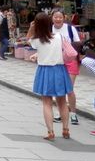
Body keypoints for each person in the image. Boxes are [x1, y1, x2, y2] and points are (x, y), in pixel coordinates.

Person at [27, 12, 73, 140]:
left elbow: (28, 38)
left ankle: (50, 132)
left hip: (45, 71)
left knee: (47, 103)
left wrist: (32, 27)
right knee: (62, 102)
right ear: (49, 23)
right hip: (60, 70)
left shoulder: (37, 40)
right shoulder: (59, 36)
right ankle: (65, 129)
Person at [51, 9, 80, 125]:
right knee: (58, 88)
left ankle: (73, 113)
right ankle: (60, 112)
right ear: (52, 17)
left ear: (64, 18)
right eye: (55, 17)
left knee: (69, 88)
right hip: (56, 61)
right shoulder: (49, 29)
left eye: (60, 17)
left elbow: (78, 43)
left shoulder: (70, 29)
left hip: (70, 61)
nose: (58, 19)